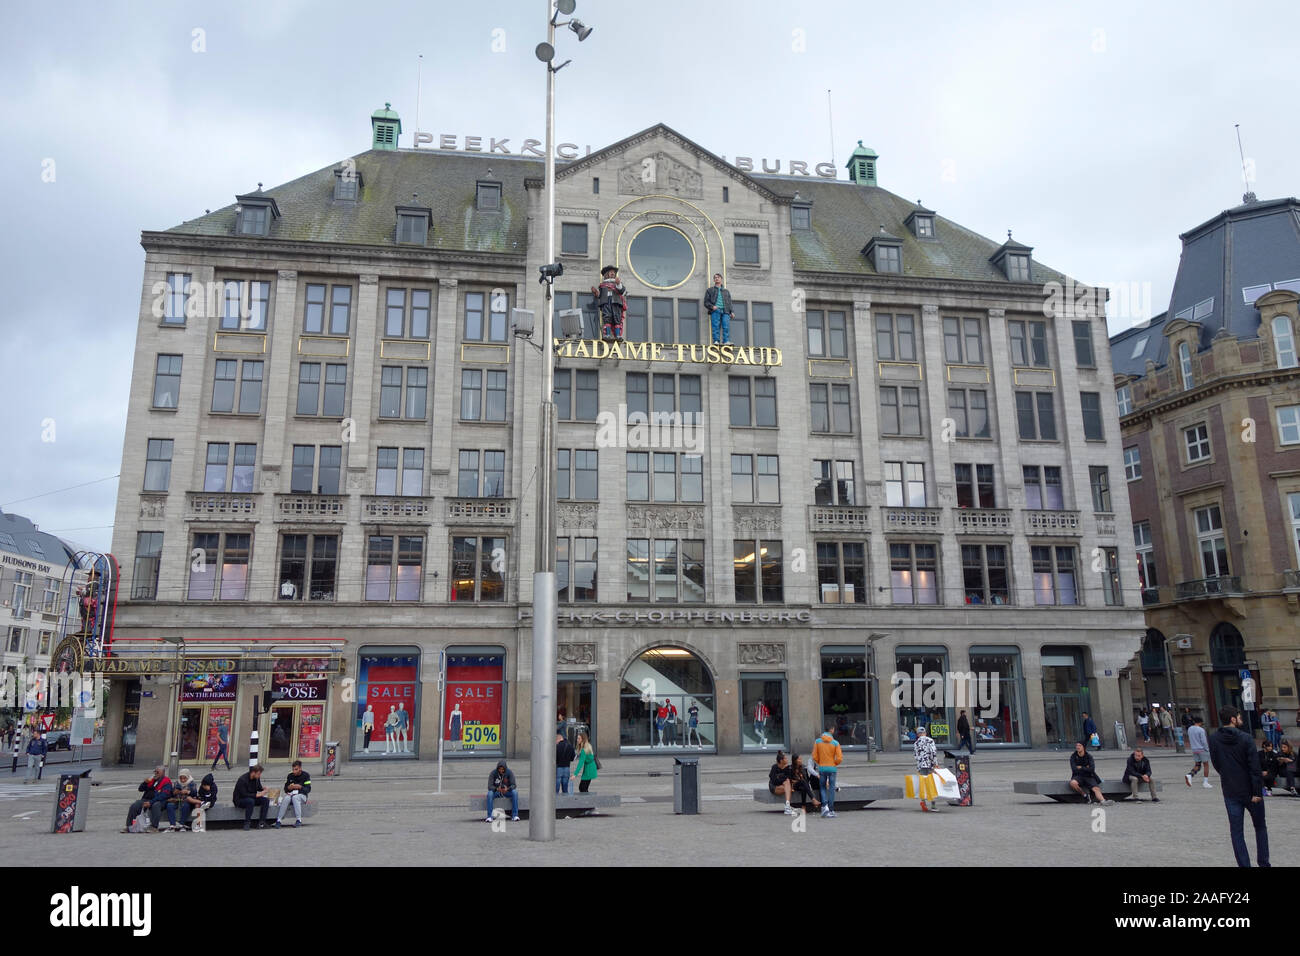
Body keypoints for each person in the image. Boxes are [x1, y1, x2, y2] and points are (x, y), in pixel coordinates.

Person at [1207, 705, 1269, 867]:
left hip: (1230, 790)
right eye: (1239, 716)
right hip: (1250, 790)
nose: (1241, 719)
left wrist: (1228, 776)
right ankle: (1264, 863)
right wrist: (1257, 791)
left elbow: (1216, 764)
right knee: (1260, 827)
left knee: (1236, 832)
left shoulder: (1213, 739)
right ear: (1233, 719)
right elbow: (1254, 767)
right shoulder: (1246, 738)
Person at [121, 766, 174, 833]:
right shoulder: (152, 780)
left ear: (163, 773)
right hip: (146, 799)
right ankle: (129, 826)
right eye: (155, 772)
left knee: (156, 805)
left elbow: (163, 795)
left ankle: (154, 827)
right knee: (135, 805)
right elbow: (140, 789)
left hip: (159, 801)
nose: (155, 774)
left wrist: (151, 802)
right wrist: (145, 783)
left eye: (157, 772)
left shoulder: (166, 781)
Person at [590, 265, 627, 342]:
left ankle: (618, 335)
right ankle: (607, 334)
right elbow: (600, 295)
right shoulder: (603, 285)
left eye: (613, 272)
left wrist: (618, 284)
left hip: (616, 302)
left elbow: (622, 291)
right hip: (606, 302)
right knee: (607, 318)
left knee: (617, 319)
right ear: (607, 274)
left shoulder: (617, 283)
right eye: (611, 272)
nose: (613, 273)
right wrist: (596, 292)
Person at [812, 729, 842, 818]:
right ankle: (831, 809)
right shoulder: (835, 743)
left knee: (822, 787)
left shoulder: (817, 741)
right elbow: (839, 758)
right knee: (832, 788)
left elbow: (814, 756)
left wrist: (820, 762)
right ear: (831, 731)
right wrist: (834, 763)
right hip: (832, 768)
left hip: (822, 768)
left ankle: (824, 806)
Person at [233, 764, 271, 830]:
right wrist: (257, 795)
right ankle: (247, 823)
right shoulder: (242, 779)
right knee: (250, 801)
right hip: (240, 799)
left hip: (251, 797)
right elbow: (243, 794)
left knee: (265, 800)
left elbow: (258, 787)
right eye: (258, 774)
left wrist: (263, 789)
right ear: (253, 772)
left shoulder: (256, 778)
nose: (259, 776)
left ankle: (262, 822)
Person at [274, 760, 312, 828]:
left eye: (296, 769)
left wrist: (300, 787)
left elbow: (308, 789)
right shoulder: (290, 776)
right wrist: (289, 788)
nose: (294, 771)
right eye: (293, 769)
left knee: (295, 797)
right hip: (291, 794)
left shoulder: (306, 775)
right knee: (286, 798)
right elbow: (285, 789)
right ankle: (278, 820)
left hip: (302, 796)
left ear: (300, 768)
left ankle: (298, 820)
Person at [914, 725, 941, 813]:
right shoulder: (930, 740)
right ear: (925, 733)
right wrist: (936, 764)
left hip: (921, 765)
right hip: (930, 765)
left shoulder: (916, 743)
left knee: (923, 784)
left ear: (918, 734)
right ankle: (933, 805)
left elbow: (916, 756)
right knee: (932, 784)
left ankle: (923, 802)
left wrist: (918, 767)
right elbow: (933, 753)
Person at [703, 273, 733, 345]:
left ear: (721, 279)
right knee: (715, 326)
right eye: (715, 277)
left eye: (718, 277)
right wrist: (712, 307)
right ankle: (716, 341)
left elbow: (729, 302)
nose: (717, 278)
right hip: (716, 310)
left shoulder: (726, 291)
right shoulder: (710, 290)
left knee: (726, 326)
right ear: (714, 280)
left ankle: (726, 341)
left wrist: (732, 311)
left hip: (726, 311)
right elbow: (706, 302)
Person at [1185, 716, 1213, 790]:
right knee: (1206, 765)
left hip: (1194, 749)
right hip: (1202, 749)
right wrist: (1207, 749)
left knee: (1197, 764)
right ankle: (1205, 782)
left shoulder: (1190, 729)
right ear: (1200, 722)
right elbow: (1204, 741)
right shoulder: (1201, 730)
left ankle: (1190, 775)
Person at [768, 750, 797, 815]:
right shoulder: (774, 767)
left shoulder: (788, 768)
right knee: (787, 784)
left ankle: (787, 806)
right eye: (785, 758)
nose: (787, 759)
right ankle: (787, 807)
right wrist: (783, 779)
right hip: (774, 787)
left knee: (787, 782)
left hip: (784, 786)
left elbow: (790, 778)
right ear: (781, 761)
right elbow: (774, 780)